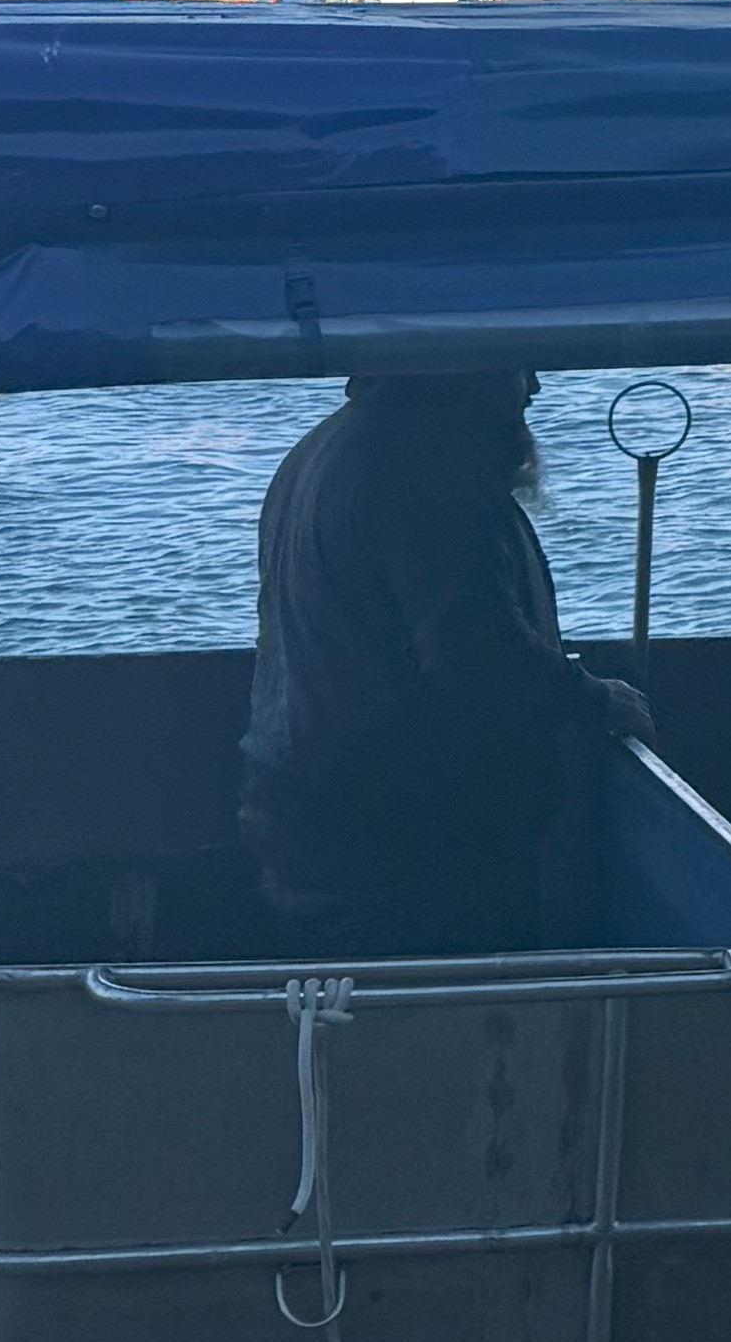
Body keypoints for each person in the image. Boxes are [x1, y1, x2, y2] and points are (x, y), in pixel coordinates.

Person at [239, 364, 647, 952]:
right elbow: (477, 655)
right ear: (460, 368)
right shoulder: (422, 469)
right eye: (516, 366)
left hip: (316, 816)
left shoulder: (326, 447)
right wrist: (597, 699)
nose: (533, 387)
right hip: (404, 849)